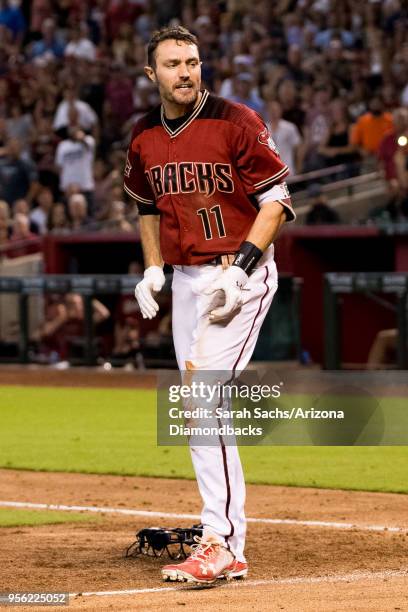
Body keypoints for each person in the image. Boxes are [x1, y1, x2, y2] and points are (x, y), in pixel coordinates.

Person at [125, 26, 295, 585]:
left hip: (239, 273)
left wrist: (242, 269)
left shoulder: (236, 120)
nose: (185, 72)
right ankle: (227, 540)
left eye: (193, 61)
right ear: (151, 74)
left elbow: (275, 202)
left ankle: (220, 540)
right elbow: (147, 206)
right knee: (199, 407)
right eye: (172, 63)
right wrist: (153, 268)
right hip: (187, 278)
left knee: (202, 394)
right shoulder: (144, 136)